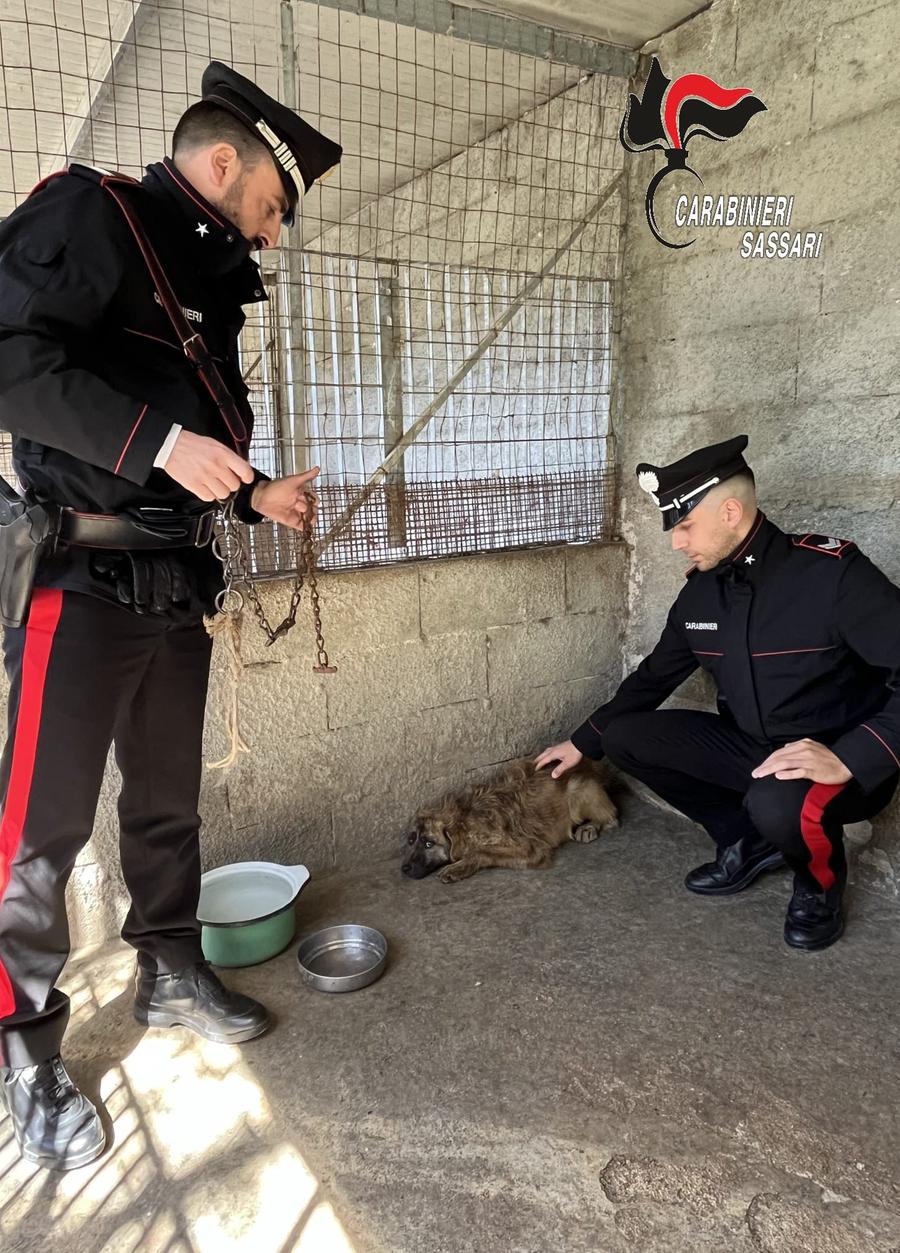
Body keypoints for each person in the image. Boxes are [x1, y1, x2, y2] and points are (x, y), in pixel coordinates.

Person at [0, 62, 341, 1170]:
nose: (277, 235)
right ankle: (24, 1047)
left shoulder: (204, 276)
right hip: (77, 581)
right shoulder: (90, 216)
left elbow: (195, 442)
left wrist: (254, 491)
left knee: (165, 807)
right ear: (225, 162)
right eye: (275, 206)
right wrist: (154, 443)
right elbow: (10, 360)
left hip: (172, 581)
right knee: (37, 839)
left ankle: (170, 964)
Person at [537, 435, 900, 954]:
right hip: (755, 748)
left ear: (730, 511)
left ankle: (819, 886)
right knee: (623, 738)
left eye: (684, 526)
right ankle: (748, 841)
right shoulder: (701, 594)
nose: (676, 542)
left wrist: (851, 757)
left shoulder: (832, 576)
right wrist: (583, 741)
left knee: (776, 797)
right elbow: (653, 679)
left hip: (837, 760)